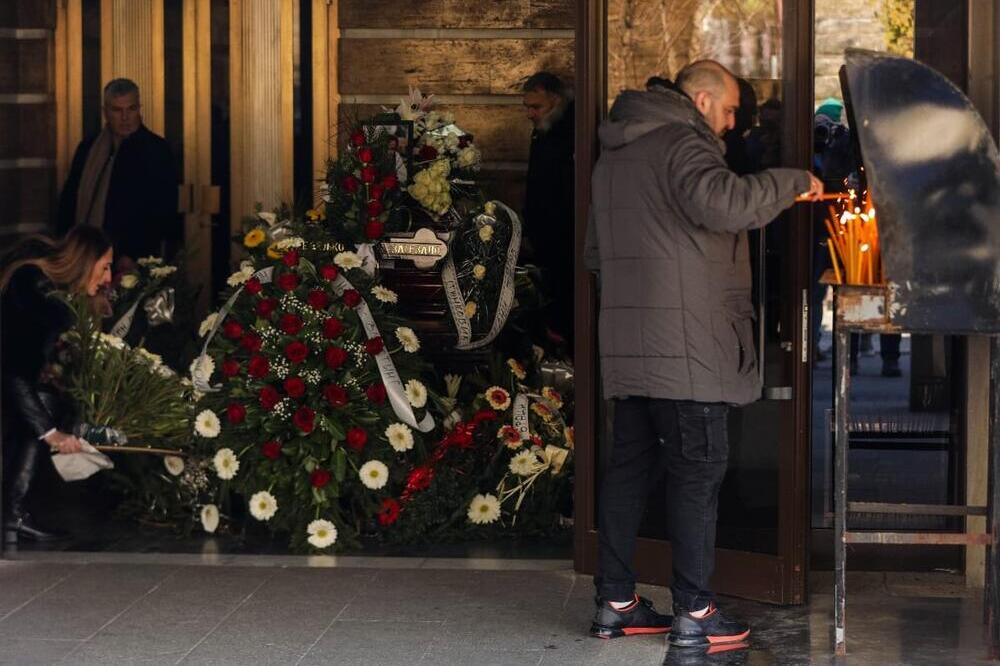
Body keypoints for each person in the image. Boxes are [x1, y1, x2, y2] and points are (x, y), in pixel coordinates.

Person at [584, 61, 822, 647]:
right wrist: (790, 182)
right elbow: (722, 204)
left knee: (629, 472)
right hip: (686, 349)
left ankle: (616, 603)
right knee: (698, 475)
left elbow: (595, 252)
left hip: (630, 347)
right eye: (732, 110)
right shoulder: (681, 140)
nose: (732, 124)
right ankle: (695, 612)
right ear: (704, 98)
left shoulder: (617, 148)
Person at [1, 227, 113, 544]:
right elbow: (13, 370)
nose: (108, 278)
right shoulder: (36, 292)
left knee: (46, 399)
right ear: (85, 261)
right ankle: (12, 513)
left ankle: (12, 513)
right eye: (104, 266)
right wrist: (52, 433)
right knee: (43, 405)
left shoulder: (46, 293)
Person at [57, 78, 179, 270]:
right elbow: (69, 200)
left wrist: (133, 253)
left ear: (139, 108)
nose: (125, 117)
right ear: (105, 112)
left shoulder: (156, 150)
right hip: (85, 254)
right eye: (117, 110)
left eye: (131, 109)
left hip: (132, 257)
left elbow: (162, 209)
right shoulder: (89, 148)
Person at [521, 71, 575, 351]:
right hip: (547, 238)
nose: (530, 113)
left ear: (555, 100)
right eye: (527, 107)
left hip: (567, 237)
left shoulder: (571, 130)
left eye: (536, 107)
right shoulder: (543, 130)